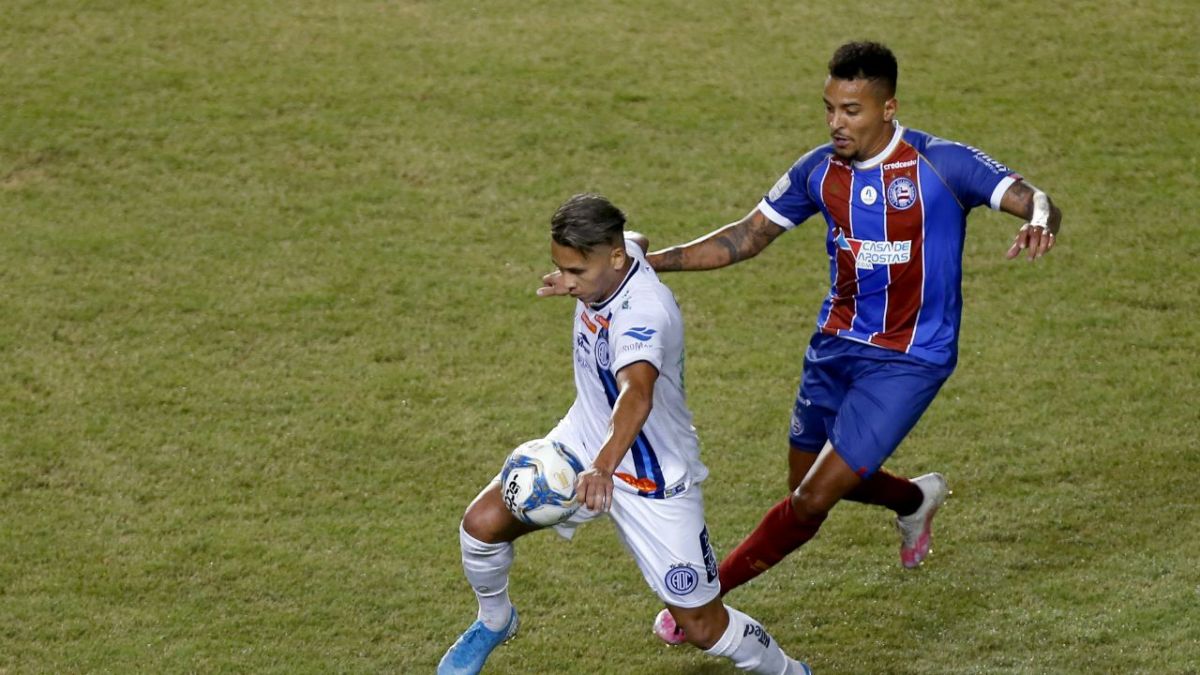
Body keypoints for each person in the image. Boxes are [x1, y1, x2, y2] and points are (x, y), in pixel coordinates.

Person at [539, 41, 1063, 644]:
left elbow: (1036, 199)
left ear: (888, 108)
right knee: (804, 484)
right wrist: (638, 267)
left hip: (909, 358)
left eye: (852, 110)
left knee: (812, 499)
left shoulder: (942, 165)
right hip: (835, 346)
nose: (837, 123)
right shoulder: (819, 170)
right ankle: (914, 498)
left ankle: (703, 600)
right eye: (829, 108)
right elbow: (746, 237)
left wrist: (1038, 221)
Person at [439, 194, 811, 675]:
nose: (568, 282)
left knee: (703, 627)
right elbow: (638, 239)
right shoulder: (621, 255)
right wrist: (586, 273)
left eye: (576, 272)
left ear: (614, 259)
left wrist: (602, 467)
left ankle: (790, 671)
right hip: (584, 439)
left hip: (654, 478)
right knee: (481, 525)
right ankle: (495, 621)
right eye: (561, 268)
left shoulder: (643, 315)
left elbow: (636, 394)